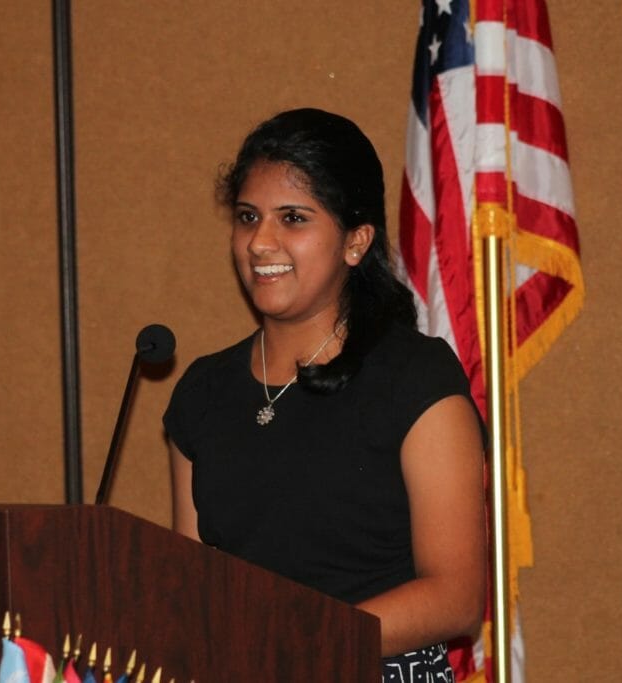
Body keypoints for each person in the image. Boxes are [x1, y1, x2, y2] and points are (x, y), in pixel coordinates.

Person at [164, 108, 486, 682]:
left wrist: (294, 643)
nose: (260, 242)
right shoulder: (203, 393)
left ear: (356, 241)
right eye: (247, 217)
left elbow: (456, 596)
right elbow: (192, 586)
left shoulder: (413, 379)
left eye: (292, 218)